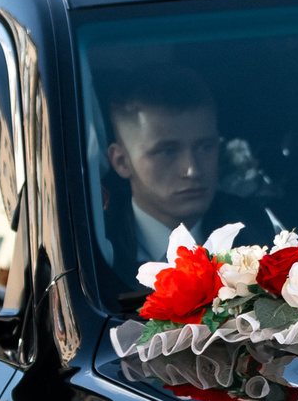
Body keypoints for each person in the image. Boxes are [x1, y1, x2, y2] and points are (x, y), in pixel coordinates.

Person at [101, 65, 272, 277]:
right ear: (121, 162)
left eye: (205, 147)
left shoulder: (254, 230)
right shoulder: (97, 251)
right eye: (167, 152)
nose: (192, 170)